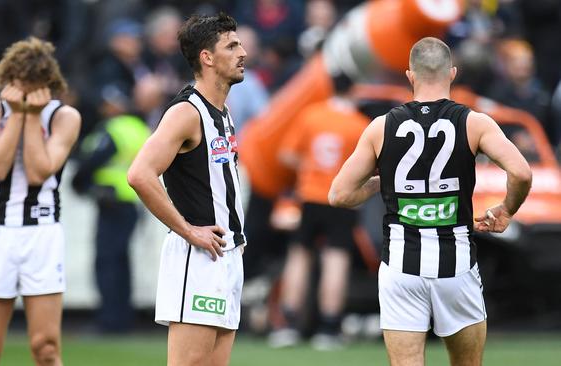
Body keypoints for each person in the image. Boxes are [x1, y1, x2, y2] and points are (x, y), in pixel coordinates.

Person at [329, 37, 532, 366]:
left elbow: (339, 194)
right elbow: (522, 173)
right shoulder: (474, 122)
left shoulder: (382, 127)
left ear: (410, 75)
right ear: (452, 73)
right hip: (456, 263)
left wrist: (386, 181)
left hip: (400, 265)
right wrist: (506, 210)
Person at [128, 13, 247, 366]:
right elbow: (140, 175)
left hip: (227, 255)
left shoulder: (222, 112)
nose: (243, 52)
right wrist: (188, 230)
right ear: (206, 58)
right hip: (199, 257)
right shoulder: (187, 112)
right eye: (232, 45)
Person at [0, 37, 81, 366]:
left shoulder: (65, 117)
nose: (28, 92)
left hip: (41, 233)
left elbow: (38, 172)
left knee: (45, 349)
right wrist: (16, 115)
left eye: (35, 85)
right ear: (8, 79)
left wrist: (31, 116)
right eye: (20, 84)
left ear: (49, 83)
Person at [269, 73, 368, 350]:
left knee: (299, 258)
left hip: (309, 196)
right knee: (336, 261)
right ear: (353, 91)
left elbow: (286, 155)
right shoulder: (359, 124)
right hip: (342, 199)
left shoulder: (311, 115)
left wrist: (309, 168)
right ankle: (329, 327)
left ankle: (288, 324)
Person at [72, 101, 151, 334]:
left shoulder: (113, 128)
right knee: (121, 261)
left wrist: (79, 183)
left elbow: (92, 160)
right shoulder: (139, 127)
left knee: (107, 262)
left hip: (111, 201)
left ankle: (109, 320)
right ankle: (122, 318)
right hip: (132, 201)